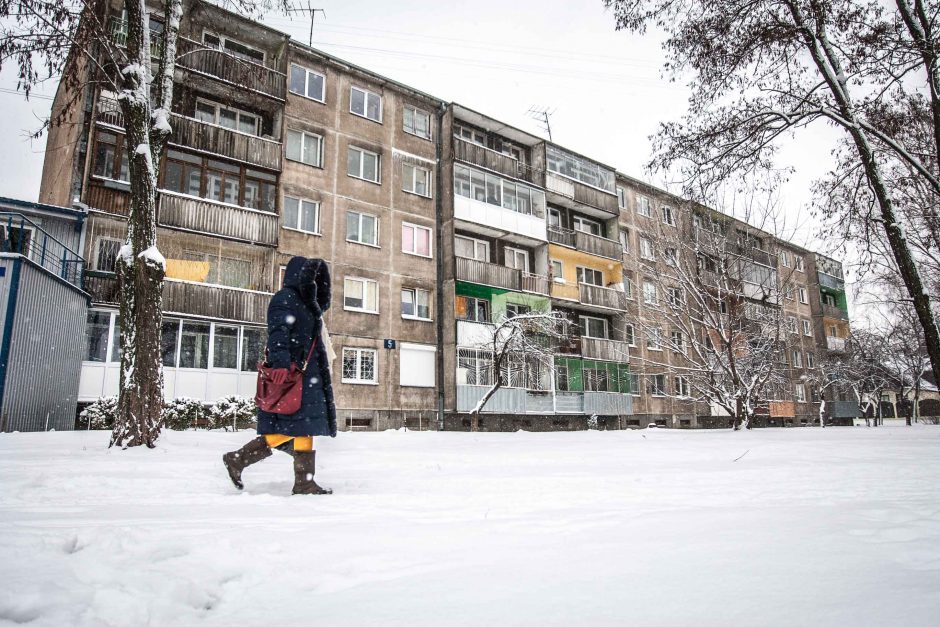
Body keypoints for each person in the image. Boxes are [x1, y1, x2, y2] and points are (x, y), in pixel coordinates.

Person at [222, 256, 337, 495]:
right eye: (310, 278)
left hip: (307, 375)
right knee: (293, 426)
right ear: (299, 276)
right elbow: (278, 334)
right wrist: (282, 365)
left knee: (305, 427)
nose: (314, 284)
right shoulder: (285, 298)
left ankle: (304, 481)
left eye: (317, 281)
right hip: (293, 375)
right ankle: (238, 458)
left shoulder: (306, 304)